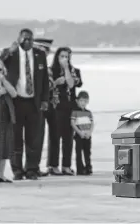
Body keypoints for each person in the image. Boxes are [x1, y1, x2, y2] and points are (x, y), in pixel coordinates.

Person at [0, 28, 49, 180]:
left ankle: (32, 168)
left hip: (34, 102)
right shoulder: (10, 53)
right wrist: (8, 52)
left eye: (30, 39)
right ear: (19, 39)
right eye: (24, 39)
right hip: (16, 101)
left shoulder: (40, 55)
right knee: (15, 137)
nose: (27, 42)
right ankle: (17, 170)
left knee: (34, 138)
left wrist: (45, 99)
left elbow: (45, 79)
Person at [48, 47, 82, 175]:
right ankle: (53, 165)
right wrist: (56, 82)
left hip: (70, 106)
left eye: (66, 56)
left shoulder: (75, 71)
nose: (64, 59)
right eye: (62, 56)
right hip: (56, 107)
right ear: (57, 57)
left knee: (68, 138)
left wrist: (66, 68)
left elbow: (72, 84)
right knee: (55, 137)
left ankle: (66, 165)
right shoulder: (51, 71)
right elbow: (47, 86)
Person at [33, 38, 54, 177]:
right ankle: (32, 166)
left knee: (39, 137)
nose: (46, 53)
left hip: (46, 105)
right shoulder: (33, 64)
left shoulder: (46, 67)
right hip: (35, 105)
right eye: (44, 50)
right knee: (34, 137)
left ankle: (35, 165)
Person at [70, 91, 94, 175]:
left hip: (87, 135)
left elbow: (92, 123)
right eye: (81, 101)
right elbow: (72, 123)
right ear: (77, 101)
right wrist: (79, 132)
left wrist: (89, 133)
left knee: (87, 152)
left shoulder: (88, 113)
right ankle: (80, 168)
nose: (83, 103)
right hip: (79, 135)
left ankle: (88, 167)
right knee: (79, 152)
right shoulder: (75, 112)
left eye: (85, 101)